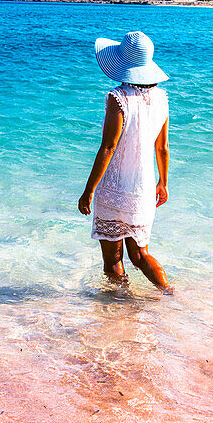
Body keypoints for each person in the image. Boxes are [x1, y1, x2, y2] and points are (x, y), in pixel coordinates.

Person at [78, 30, 172, 291]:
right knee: (140, 256)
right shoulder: (162, 99)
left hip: (114, 187)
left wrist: (89, 190)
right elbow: (162, 147)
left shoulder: (117, 98)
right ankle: (169, 294)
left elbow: (108, 147)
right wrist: (163, 183)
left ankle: (120, 307)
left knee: (113, 260)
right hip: (142, 189)